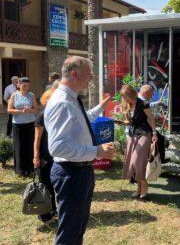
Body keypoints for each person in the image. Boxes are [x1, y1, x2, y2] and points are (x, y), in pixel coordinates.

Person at [44, 56, 116, 245]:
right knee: (70, 231)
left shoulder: (71, 99)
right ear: (75, 74)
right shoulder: (62, 102)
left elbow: (83, 119)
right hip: (71, 173)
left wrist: (101, 107)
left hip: (79, 171)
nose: (91, 78)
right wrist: (96, 151)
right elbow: (58, 146)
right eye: (89, 75)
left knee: (77, 228)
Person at [121, 84, 158, 199]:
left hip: (144, 134)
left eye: (125, 96)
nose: (123, 99)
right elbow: (130, 121)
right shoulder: (126, 104)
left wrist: (155, 133)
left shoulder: (143, 104)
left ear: (131, 94)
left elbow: (151, 119)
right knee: (132, 163)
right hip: (132, 135)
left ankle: (144, 187)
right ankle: (138, 188)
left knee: (137, 161)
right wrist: (126, 122)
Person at [33, 88, 58, 223]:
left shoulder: (54, 115)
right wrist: (36, 156)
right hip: (44, 157)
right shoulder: (42, 116)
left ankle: (52, 211)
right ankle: (44, 215)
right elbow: (37, 139)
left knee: (52, 185)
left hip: (53, 155)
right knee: (45, 186)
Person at [7, 77, 38, 177]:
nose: (26, 88)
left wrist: (30, 110)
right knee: (19, 146)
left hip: (30, 123)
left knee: (29, 145)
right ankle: (20, 170)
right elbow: (9, 110)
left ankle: (30, 168)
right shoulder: (14, 95)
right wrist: (21, 111)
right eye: (24, 85)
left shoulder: (32, 95)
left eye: (28, 86)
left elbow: (36, 110)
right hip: (18, 124)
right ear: (19, 85)